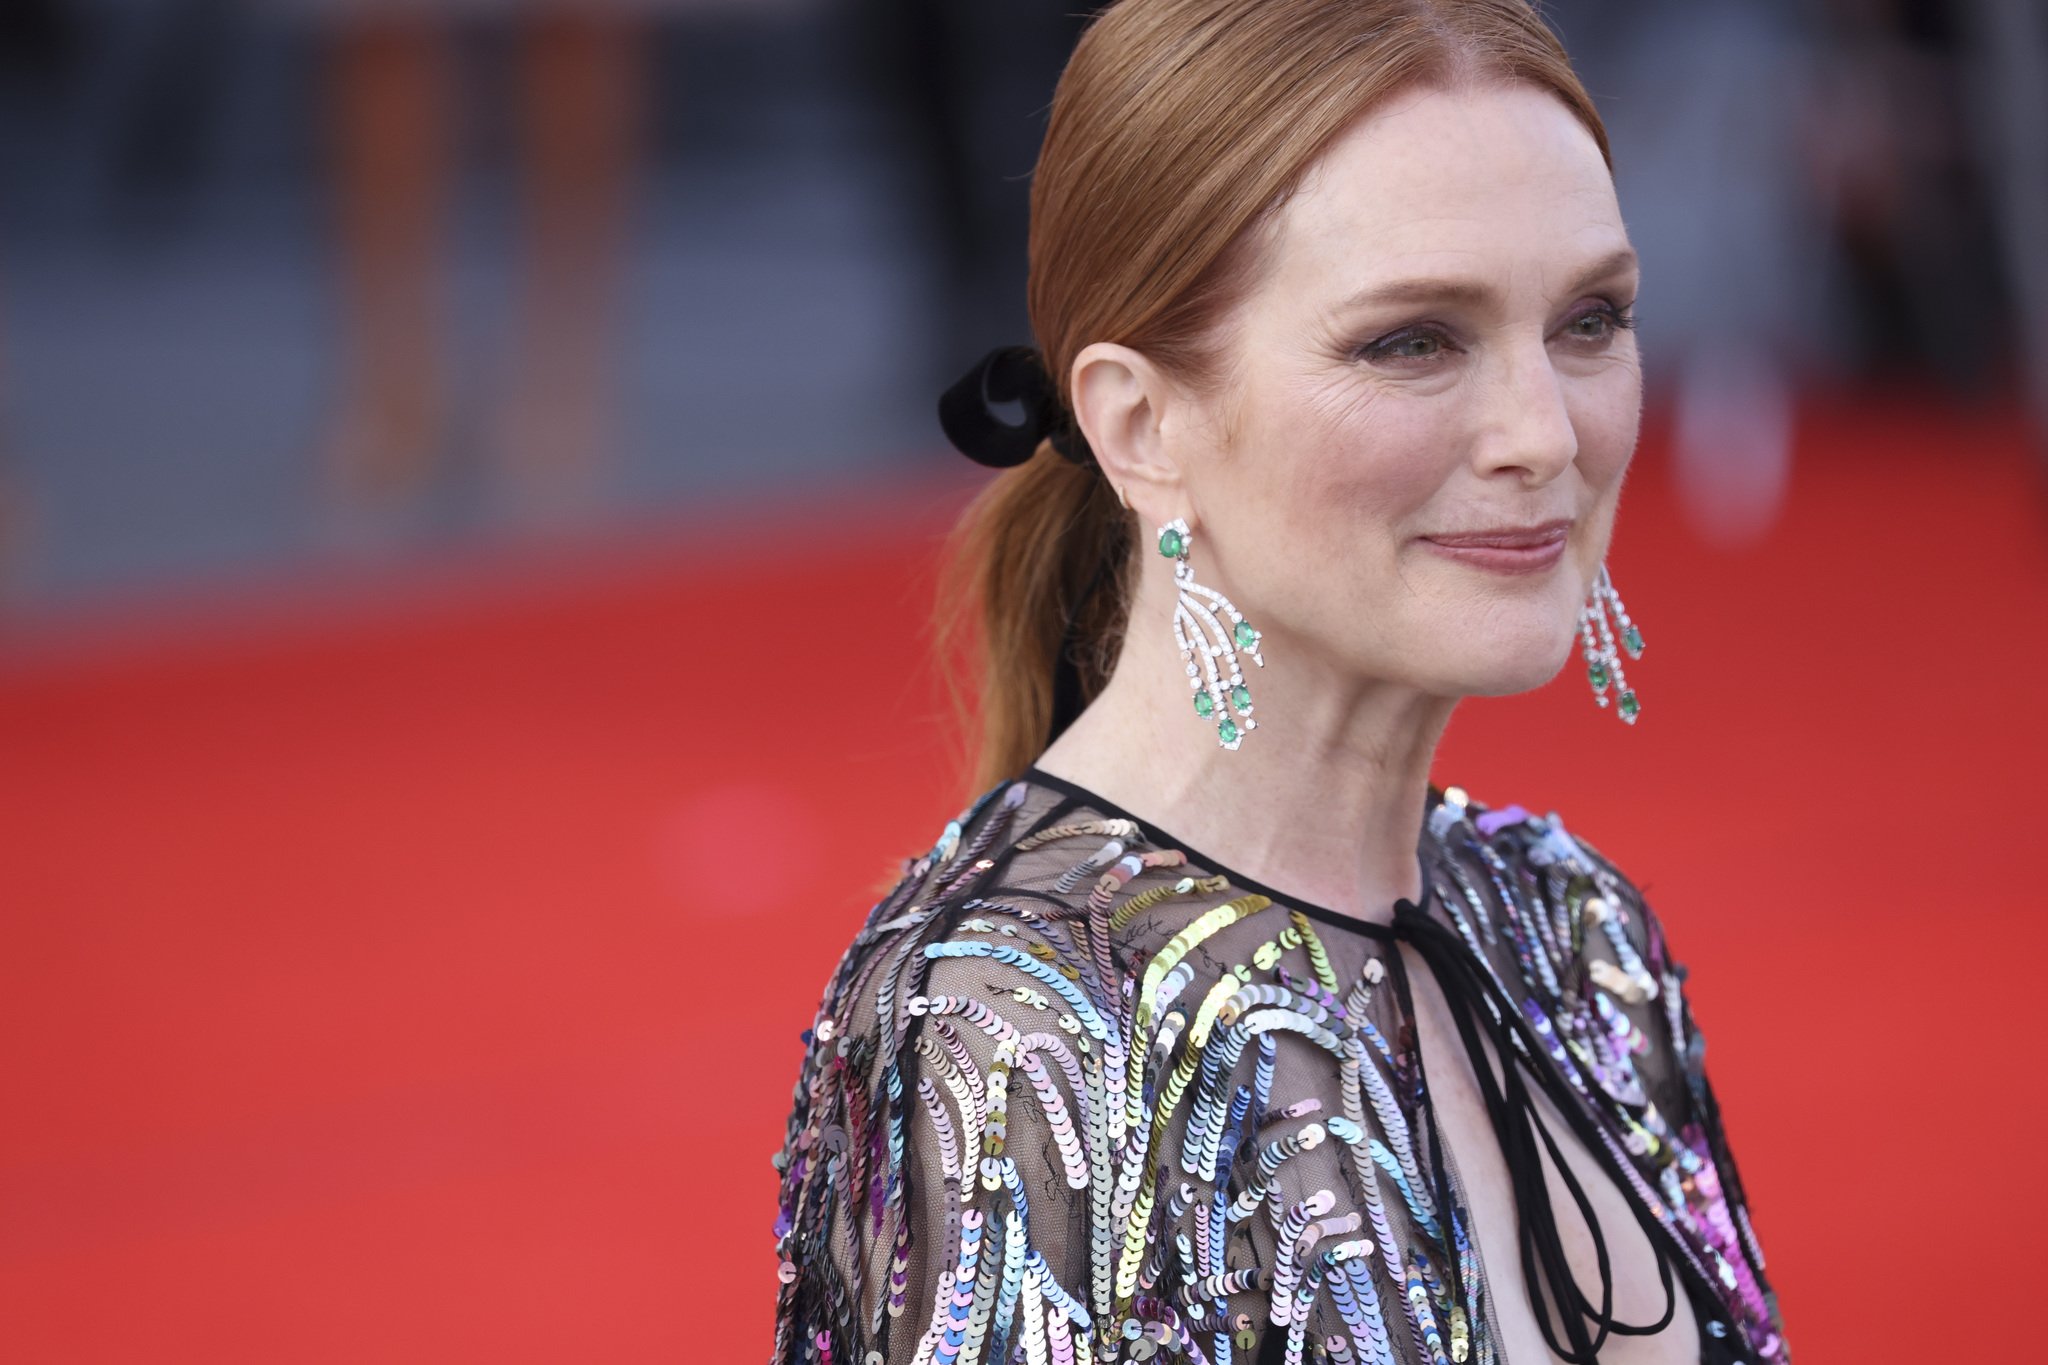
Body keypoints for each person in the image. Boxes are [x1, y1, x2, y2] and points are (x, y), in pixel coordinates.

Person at [769, 3, 1793, 1363]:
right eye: (1414, 340)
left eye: (1590, 320)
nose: (1547, 431)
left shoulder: (1573, 920)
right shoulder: (1012, 1027)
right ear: (1142, 425)